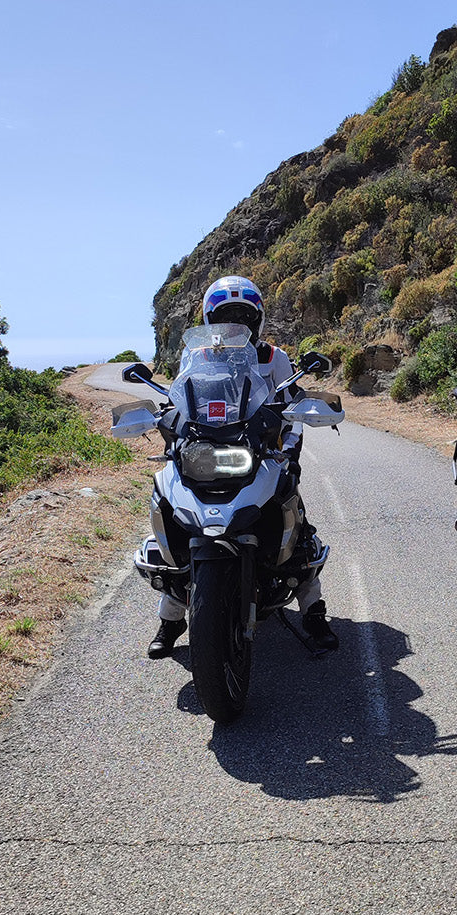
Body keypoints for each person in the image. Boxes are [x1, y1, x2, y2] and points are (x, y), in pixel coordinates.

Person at [148, 274, 340, 658]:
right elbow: (179, 397)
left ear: (258, 320)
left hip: (263, 450)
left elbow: (293, 407)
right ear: (209, 320)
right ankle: (171, 620)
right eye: (226, 317)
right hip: (207, 448)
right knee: (174, 511)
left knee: (296, 524)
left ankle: (314, 613)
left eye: (243, 317)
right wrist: (167, 421)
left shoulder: (275, 358)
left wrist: (288, 452)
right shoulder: (195, 356)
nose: (235, 326)